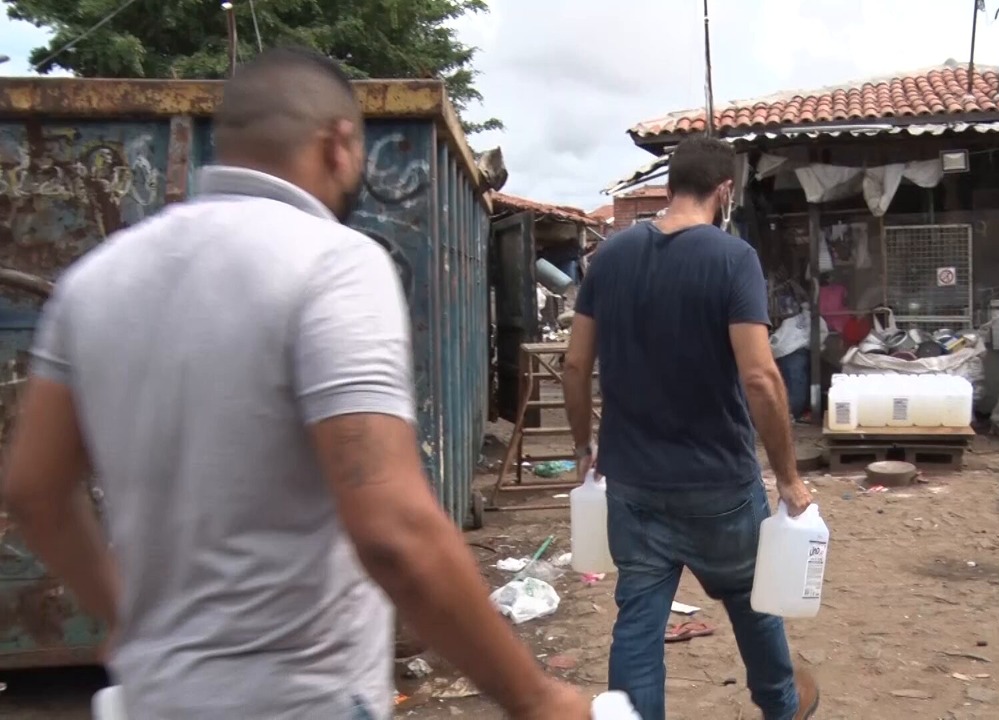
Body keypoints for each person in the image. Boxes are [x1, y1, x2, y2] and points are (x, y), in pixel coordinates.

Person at [1, 47, 589, 720]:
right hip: (299, 698)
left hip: (154, 697)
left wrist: (130, 620)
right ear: (338, 144)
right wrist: (536, 698)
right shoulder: (333, 267)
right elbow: (392, 529)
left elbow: (32, 488)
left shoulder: (95, 281)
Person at [562, 136, 821, 720]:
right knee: (753, 605)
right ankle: (783, 708)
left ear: (672, 183)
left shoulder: (610, 259)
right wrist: (789, 480)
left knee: (637, 625)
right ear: (724, 191)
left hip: (632, 486)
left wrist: (584, 449)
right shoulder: (733, 259)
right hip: (719, 488)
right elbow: (761, 378)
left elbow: (575, 364)